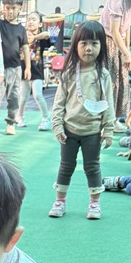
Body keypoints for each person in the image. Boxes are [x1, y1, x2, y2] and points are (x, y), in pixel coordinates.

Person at [49, 20, 115, 220]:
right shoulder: (68, 74)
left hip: (92, 132)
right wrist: (57, 125)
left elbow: (108, 104)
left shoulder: (103, 75)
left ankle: (95, 204)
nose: (89, 48)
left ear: (101, 46)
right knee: (65, 166)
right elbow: (59, 103)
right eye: (84, 43)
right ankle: (60, 201)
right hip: (69, 131)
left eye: (94, 44)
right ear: (75, 45)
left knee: (92, 167)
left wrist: (108, 129)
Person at [0, 0, 30, 135]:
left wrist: (27, 67)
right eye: (7, 8)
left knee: (14, 98)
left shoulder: (21, 29)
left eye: (13, 8)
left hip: (15, 69)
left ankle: (11, 123)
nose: (10, 11)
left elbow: (26, 48)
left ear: (20, 8)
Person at [18, 11, 52, 131]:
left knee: (38, 95)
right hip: (23, 71)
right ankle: (20, 117)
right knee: (23, 97)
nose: (30, 21)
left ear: (40, 24)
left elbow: (47, 34)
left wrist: (34, 37)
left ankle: (46, 118)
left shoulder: (40, 38)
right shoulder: (22, 36)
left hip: (37, 71)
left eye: (34, 19)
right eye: (29, 19)